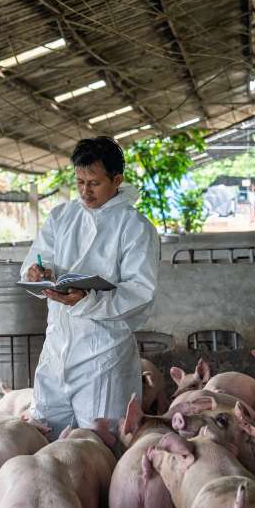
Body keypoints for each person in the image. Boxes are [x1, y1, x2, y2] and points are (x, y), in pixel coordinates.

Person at [21, 136, 159, 439]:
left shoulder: (135, 227)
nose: (85, 191)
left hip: (103, 355)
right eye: (80, 182)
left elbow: (140, 292)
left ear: (117, 180)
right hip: (56, 350)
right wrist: (36, 273)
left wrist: (87, 300)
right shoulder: (61, 217)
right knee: (46, 439)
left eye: (94, 183)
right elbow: (36, 260)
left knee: (101, 444)